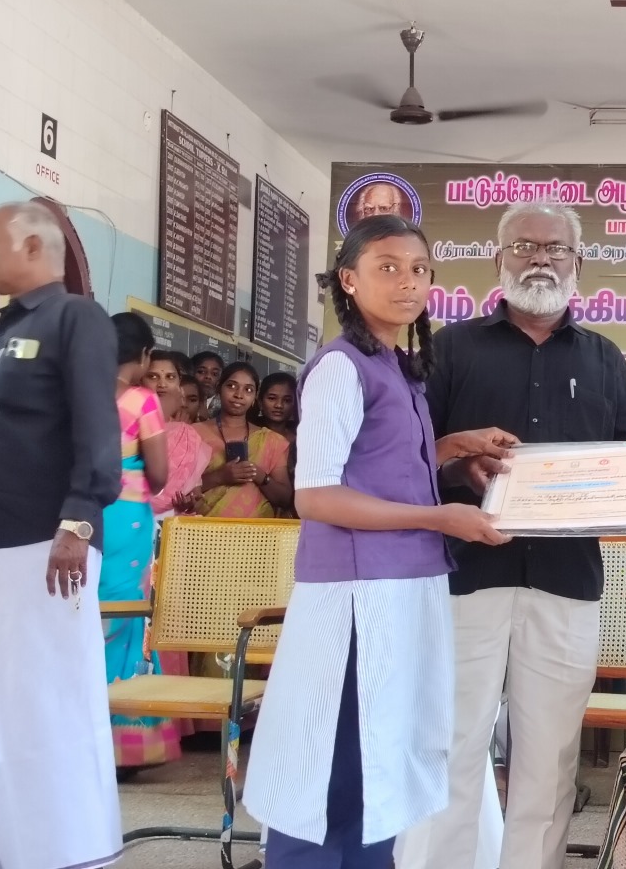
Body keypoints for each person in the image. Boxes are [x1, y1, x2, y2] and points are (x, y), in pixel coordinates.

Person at [242, 215, 516, 868]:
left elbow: (379, 465)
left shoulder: (395, 365)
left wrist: (450, 449)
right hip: (355, 597)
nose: (407, 282)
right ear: (348, 279)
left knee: (381, 764)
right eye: (387, 267)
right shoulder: (340, 366)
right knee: (332, 766)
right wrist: (440, 517)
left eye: (419, 269)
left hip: (403, 588)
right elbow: (317, 496)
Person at [401, 201, 626, 869]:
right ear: (498, 259)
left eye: (555, 248)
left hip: (566, 583)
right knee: (449, 746)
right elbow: (407, 454)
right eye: (524, 246)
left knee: (550, 759)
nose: (540, 258)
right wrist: (456, 464)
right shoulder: (449, 349)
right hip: (463, 576)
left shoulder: (605, 359)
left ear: (578, 263)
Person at [0, 202, 122, 869]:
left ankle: (68, 853)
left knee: (44, 710)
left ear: (29, 246)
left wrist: (76, 522)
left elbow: (97, 433)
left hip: (43, 548)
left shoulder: (75, 318)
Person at [102, 313, 178, 769]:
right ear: (144, 355)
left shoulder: (81, 393)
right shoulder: (141, 400)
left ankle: (84, 731)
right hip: (127, 519)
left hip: (83, 516)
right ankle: (123, 741)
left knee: (90, 612)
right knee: (126, 614)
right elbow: (161, 473)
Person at [195, 362, 293, 518]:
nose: (239, 395)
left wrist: (260, 476)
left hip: (256, 531)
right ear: (219, 388)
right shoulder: (193, 433)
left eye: (248, 389)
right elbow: (178, 489)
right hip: (202, 530)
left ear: (255, 397)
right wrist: (220, 476)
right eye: (232, 386)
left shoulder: (272, 441)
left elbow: (285, 498)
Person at [145, 351, 212, 521]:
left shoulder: (187, 436)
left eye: (170, 377)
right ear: (140, 379)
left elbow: (196, 496)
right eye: (153, 376)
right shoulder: (126, 424)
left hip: (168, 525)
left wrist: (188, 504)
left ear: (178, 383)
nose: (162, 384)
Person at [257, 372, 299, 443]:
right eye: (272, 398)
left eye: (287, 400)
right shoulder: (249, 434)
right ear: (260, 402)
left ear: (295, 404)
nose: (279, 405)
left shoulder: (302, 437)